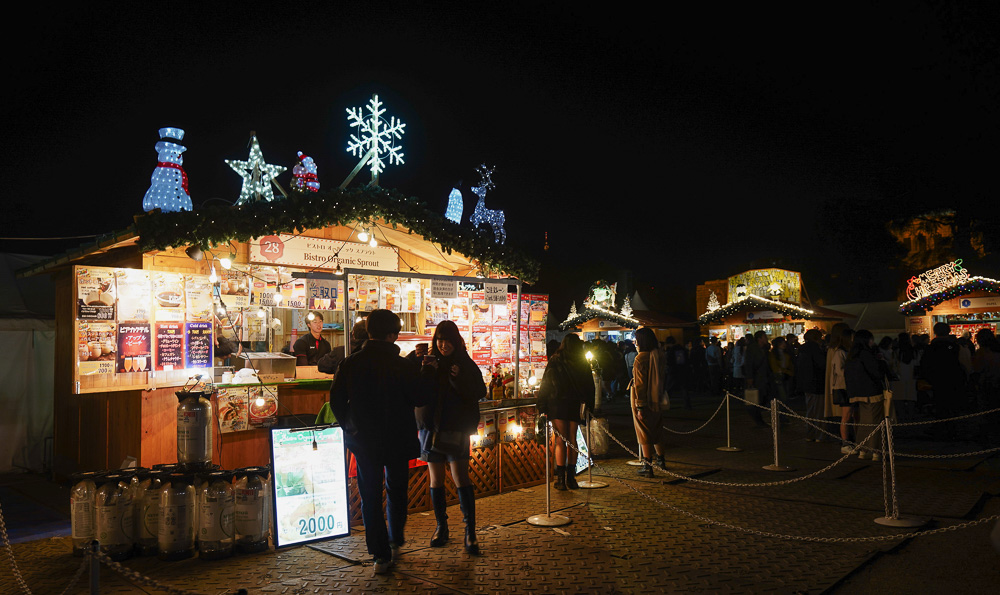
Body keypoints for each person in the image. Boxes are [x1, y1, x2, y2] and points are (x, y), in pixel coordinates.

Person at [328, 309, 429, 575]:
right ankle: (395, 541)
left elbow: (336, 401)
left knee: (370, 496)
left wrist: (351, 428)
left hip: (365, 442)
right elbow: (419, 397)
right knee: (397, 491)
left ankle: (380, 556)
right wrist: (425, 371)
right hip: (398, 439)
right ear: (392, 334)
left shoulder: (351, 363)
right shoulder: (403, 366)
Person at [415, 320, 486, 555]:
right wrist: (421, 364)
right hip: (430, 428)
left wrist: (457, 377)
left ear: (456, 341)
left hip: (455, 429)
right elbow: (416, 390)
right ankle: (441, 527)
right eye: (440, 340)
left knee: (461, 479)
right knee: (435, 481)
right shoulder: (428, 362)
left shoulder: (465, 363)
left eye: (448, 340)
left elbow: (478, 392)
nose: (443, 345)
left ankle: (470, 532)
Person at [536, 334, 594, 491]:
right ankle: (571, 478)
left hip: (557, 404)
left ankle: (560, 479)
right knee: (572, 440)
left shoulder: (555, 359)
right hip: (574, 403)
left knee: (560, 441)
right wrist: (590, 405)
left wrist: (541, 406)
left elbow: (546, 384)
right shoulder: (581, 361)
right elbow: (590, 385)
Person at [920, 322, 967, 439]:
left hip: (936, 381)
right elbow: (964, 365)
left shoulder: (930, 348)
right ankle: (952, 428)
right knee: (952, 405)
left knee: (939, 405)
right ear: (949, 331)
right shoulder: (955, 347)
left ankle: (940, 427)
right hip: (953, 380)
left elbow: (925, 365)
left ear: (935, 332)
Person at [631, 327, 666, 477]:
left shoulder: (640, 358)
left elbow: (640, 384)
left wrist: (640, 406)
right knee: (657, 429)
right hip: (658, 396)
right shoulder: (659, 355)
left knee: (644, 432)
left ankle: (647, 465)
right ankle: (661, 460)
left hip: (643, 399)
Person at [845, 329, 885, 461]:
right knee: (874, 422)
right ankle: (875, 451)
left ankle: (862, 449)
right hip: (871, 392)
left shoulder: (851, 355)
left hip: (856, 393)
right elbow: (876, 372)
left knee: (863, 422)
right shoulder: (866, 354)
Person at [796, 329, 826, 442]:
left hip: (806, 383)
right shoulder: (815, 349)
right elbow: (821, 365)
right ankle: (819, 435)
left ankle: (810, 433)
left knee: (810, 409)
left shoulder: (802, 349)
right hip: (816, 383)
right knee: (818, 410)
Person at [830, 327, 854, 453]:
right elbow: (840, 371)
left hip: (846, 386)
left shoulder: (844, 351)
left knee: (849, 415)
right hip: (843, 386)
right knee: (846, 415)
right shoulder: (840, 352)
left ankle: (848, 441)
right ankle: (845, 443)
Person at [744, 330, 771, 426]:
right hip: (756, 377)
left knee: (763, 397)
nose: (766, 339)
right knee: (756, 398)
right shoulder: (752, 349)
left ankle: (759, 418)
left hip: (764, 376)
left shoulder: (764, 348)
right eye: (764, 337)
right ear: (759, 339)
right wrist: (749, 377)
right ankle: (758, 419)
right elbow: (749, 363)